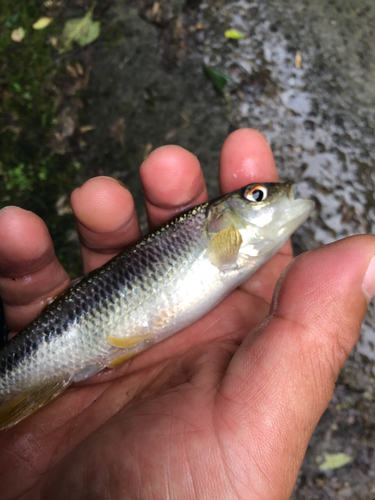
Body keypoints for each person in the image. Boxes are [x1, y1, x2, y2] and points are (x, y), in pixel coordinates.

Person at [0, 128, 373, 500]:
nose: (272, 195)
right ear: (222, 222)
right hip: (65, 340)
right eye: (256, 196)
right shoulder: (221, 244)